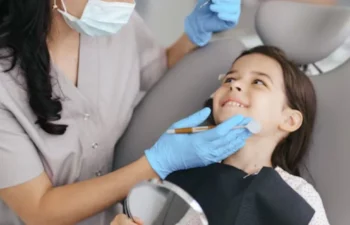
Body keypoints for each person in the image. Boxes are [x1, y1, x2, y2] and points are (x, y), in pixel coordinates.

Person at [0, 0, 252, 225]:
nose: (128, 3)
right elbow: (39, 210)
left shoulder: (119, 24)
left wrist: (192, 37)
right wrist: (156, 164)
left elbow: (155, 76)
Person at [111, 45, 330, 225]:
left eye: (258, 82)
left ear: (289, 120)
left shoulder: (299, 197)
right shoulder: (181, 177)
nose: (235, 85)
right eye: (229, 79)